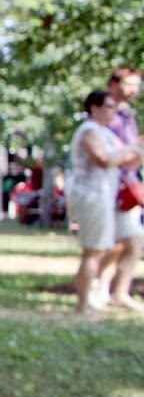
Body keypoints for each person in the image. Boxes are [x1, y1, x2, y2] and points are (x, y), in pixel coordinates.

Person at [69, 89, 144, 315]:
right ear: (95, 107)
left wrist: (134, 151)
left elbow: (127, 161)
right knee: (93, 250)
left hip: (110, 195)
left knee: (131, 240)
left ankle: (116, 293)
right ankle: (83, 303)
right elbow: (103, 160)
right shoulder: (89, 131)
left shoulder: (107, 133)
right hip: (92, 195)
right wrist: (127, 151)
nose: (114, 111)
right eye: (109, 106)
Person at [96, 65, 144, 310]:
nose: (135, 90)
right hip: (111, 187)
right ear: (114, 84)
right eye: (130, 84)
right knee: (118, 243)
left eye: (138, 85)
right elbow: (109, 154)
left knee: (127, 242)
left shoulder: (127, 114)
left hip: (128, 183)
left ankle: (111, 291)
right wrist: (132, 152)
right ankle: (101, 288)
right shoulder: (105, 115)